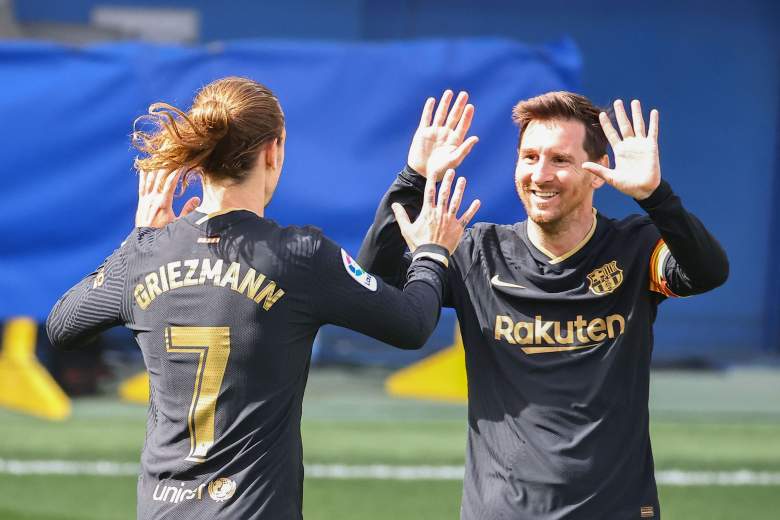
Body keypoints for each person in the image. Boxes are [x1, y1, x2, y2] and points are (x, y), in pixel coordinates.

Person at [46, 76, 480, 520]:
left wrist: (137, 239)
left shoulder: (146, 254)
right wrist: (432, 251)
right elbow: (409, 323)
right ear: (273, 151)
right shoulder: (299, 256)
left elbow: (61, 324)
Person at [358, 89, 728, 519]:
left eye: (560, 160)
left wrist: (656, 196)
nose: (541, 174)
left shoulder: (635, 248)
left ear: (598, 172)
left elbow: (707, 273)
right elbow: (374, 279)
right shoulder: (477, 253)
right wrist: (414, 175)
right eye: (530, 157)